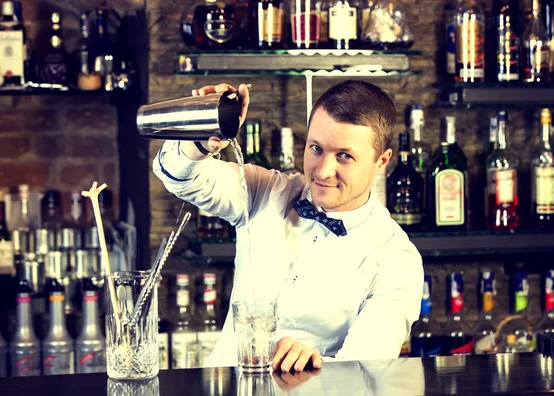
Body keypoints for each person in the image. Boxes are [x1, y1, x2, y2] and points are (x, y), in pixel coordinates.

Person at [153, 80, 423, 372]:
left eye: (344, 156)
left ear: (381, 161)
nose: (323, 170)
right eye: (316, 148)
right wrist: (202, 138)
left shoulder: (397, 259)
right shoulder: (267, 191)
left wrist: (312, 363)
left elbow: (367, 370)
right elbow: (179, 177)